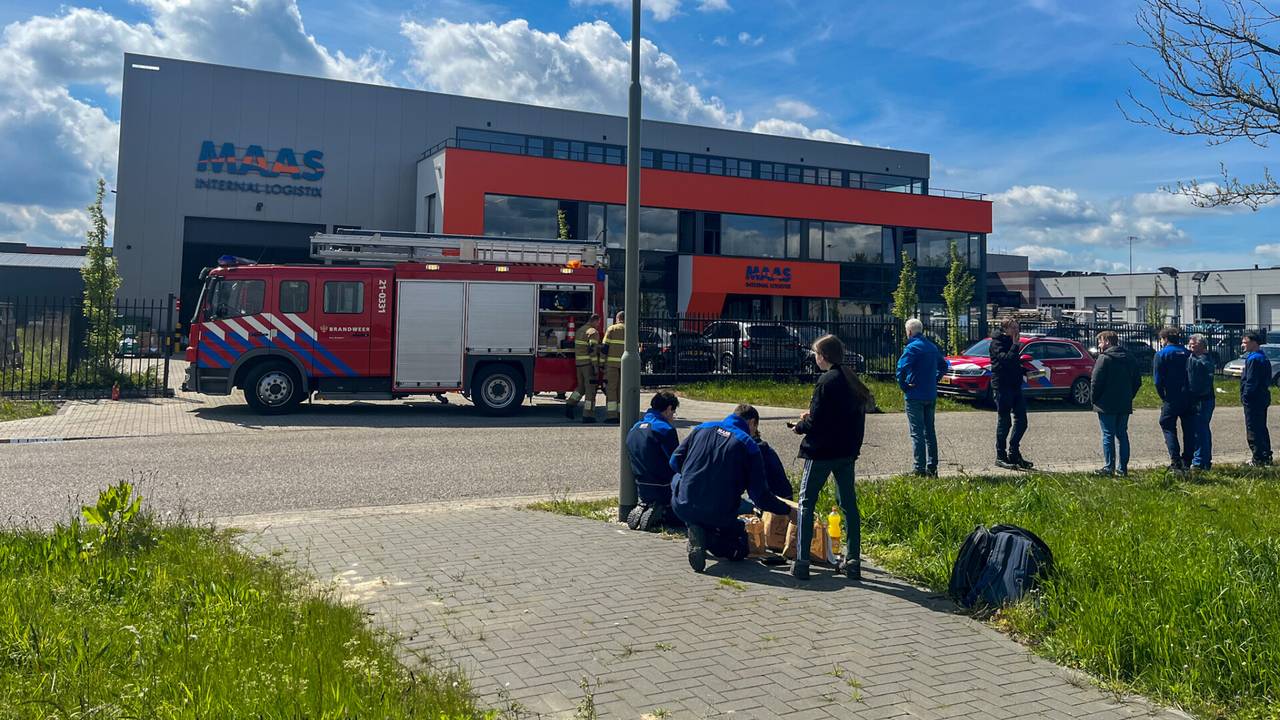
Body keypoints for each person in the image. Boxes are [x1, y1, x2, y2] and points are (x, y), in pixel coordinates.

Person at [670, 404, 797, 573]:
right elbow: (759, 496)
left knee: (678, 480)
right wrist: (786, 510)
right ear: (752, 423)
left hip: (682, 505)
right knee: (740, 547)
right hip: (719, 512)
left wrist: (693, 478)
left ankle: (695, 527)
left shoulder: (702, 427)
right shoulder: (749, 445)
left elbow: (674, 462)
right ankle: (707, 539)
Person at [790, 335, 870, 582]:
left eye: (816, 353)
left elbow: (817, 420)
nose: (815, 357)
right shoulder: (852, 380)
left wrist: (800, 425)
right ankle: (853, 560)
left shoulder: (826, 381)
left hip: (821, 451)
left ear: (823, 356)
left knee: (806, 502)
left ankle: (802, 562)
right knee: (848, 504)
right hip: (846, 452)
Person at [896, 318, 948, 476]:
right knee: (930, 432)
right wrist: (935, 379)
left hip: (915, 395)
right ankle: (932, 467)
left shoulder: (912, 348)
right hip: (930, 394)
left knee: (917, 432)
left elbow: (900, 369)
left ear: (909, 332)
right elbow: (944, 366)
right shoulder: (932, 347)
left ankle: (919, 468)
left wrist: (905, 386)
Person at [1090, 330, 1142, 476]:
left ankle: (1109, 467)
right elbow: (1137, 381)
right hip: (1124, 402)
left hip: (1106, 403)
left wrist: (1094, 399)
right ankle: (1122, 468)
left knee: (1108, 435)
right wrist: (1129, 395)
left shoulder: (1104, 358)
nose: (1099, 345)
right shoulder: (1129, 357)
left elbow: (1095, 382)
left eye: (1100, 341)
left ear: (1107, 341)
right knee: (1122, 435)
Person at [626, 391, 681, 512]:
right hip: (663, 485)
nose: (673, 416)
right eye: (673, 412)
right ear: (669, 408)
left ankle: (647, 506)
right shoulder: (664, 429)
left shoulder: (634, 428)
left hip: (641, 484)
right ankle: (664, 510)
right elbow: (676, 459)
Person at [990, 318, 1033, 470]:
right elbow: (1006, 361)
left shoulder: (1013, 344)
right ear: (1005, 329)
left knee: (1022, 421)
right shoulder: (997, 343)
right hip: (1002, 387)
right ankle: (1000, 456)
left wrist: (1025, 371)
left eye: (1017, 327)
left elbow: (1014, 364)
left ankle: (1014, 452)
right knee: (1005, 421)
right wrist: (1015, 345)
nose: (1016, 331)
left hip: (1015, 386)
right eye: (1013, 328)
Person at [1154, 326, 1196, 471]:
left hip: (1172, 396)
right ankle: (1187, 460)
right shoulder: (1188, 353)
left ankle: (1175, 460)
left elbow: (1158, 380)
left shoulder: (1162, 354)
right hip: (1189, 396)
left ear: (1165, 339)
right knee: (1189, 429)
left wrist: (1163, 396)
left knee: (1167, 425)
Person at [1240, 330, 1272, 466]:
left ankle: (1258, 458)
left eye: (1245, 342)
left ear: (1253, 342)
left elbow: (1251, 381)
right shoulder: (1263, 357)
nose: (1242, 345)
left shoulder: (1254, 359)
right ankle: (1266, 455)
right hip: (1263, 396)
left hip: (1254, 399)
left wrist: (1245, 396)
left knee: (1253, 428)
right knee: (1261, 427)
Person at [1186, 334, 1217, 470]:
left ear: (1202, 345)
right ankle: (1204, 460)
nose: (1191, 345)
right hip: (1201, 399)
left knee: (1200, 430)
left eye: (1194, 343)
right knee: (1201, 429)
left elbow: (1202, 381)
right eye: (1190, 343)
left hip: (1203, 400)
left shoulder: (1204, 360)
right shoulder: (1195, 357)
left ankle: (1200, 461)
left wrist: (1195, 395)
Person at [564, 313, 601, 423]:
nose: (598, 325)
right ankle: (588, 415)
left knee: (581, 388)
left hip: (579, 364)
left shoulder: (580, 330)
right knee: (591, 391)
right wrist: (595, 366)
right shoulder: (593, 332)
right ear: (594, 321)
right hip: (588, 365)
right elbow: (592, 350)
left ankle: (570, 404)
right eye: (598, 322)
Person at [602, 311, 626, 423]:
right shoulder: (631, 329)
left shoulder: (612, 329)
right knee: (622, 390)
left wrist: (601, 363)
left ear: (618, 318)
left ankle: (612, 416)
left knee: (611, 389)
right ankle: (621, 414)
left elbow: (605, 347)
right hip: (626, 366)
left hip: (612, 365)